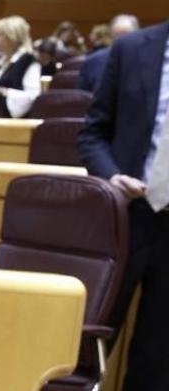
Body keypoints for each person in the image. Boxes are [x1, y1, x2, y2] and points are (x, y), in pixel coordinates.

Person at [77, 19, 169, 391]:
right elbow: (93, 133)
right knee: (89, 340)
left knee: (158, 355)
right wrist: (112, 176)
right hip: (128, 215)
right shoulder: (131, 49)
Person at [0, 15, 40, 118]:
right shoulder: (2, 61)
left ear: (12, 37)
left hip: (14, 125)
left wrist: (2, 91)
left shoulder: (28, 60)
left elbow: (33, 97)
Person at [78, 14, 139, 92]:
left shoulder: (149, 61)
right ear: (111, 36)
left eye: (126, 35)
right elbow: (81, 98)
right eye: (117, 35)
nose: (122, 40)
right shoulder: (93, 61)